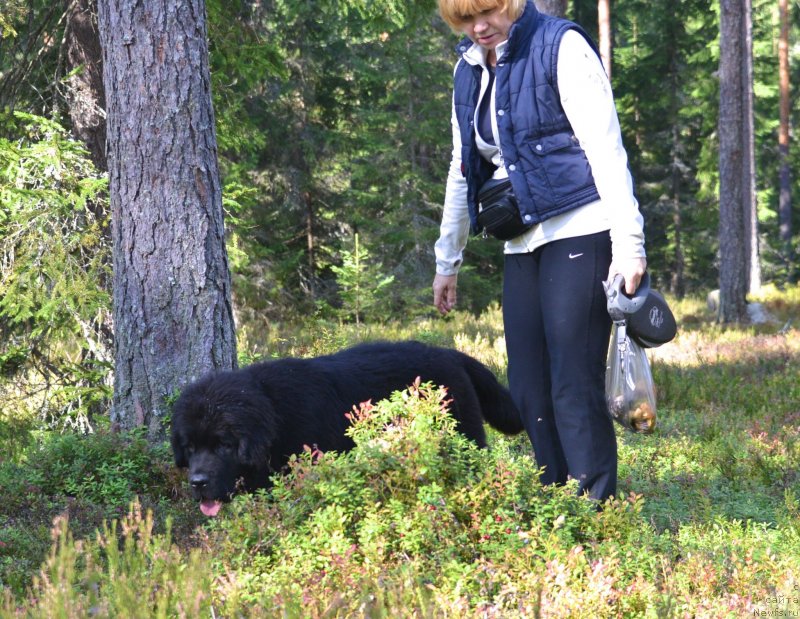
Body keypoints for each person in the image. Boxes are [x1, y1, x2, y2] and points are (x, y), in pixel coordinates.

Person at [432, 0, 646, 502]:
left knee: (572, 383)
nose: (478, 26)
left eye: (486, 11)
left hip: (581, 229)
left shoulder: (561, 46)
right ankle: (556, 504)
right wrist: (448, 260)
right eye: (464, 19)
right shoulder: (467, 70)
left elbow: (606, 149)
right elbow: (462, 168)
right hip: (520, 243)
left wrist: (629, 244)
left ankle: (597, 510)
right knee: (529, 390)